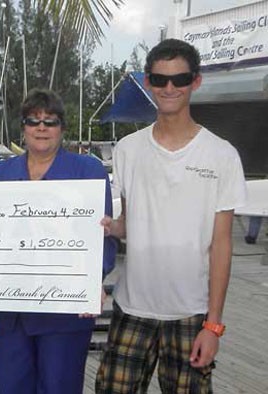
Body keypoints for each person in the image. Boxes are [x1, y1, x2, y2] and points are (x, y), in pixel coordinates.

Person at [95, 39, 247, 393]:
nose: (169, 88)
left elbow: (222, 245)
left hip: (191, 315)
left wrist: (213, 326)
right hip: (131, 307)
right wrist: (108, 228)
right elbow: (131, 222)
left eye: (180, 79)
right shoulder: (128, 150)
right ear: (147, 81)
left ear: (195, 82)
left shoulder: (222, 155)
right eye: (160, 79)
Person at [0, 89, 117, 394]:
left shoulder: (88, 170)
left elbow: (102, 236)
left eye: (50, 122)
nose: (41, 128)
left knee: (59, 388)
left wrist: (94, 279)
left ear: (62, 128)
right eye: (33, 121)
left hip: (64, 312)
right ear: (23, 128)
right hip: (9, 314)